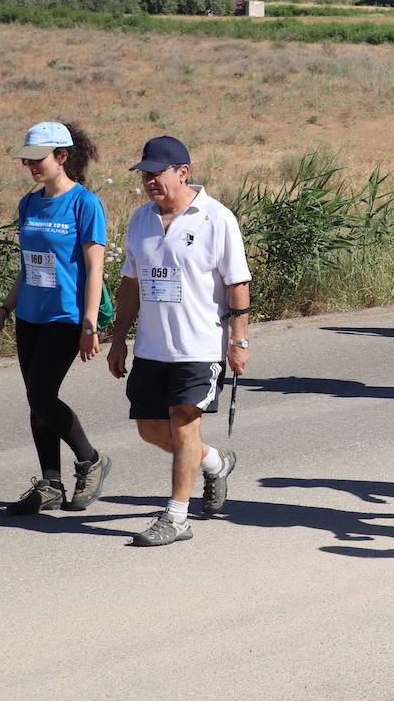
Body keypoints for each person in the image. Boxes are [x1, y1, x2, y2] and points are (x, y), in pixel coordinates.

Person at [108, 136, 250, 547]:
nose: (149, 181)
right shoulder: (140, 220)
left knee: (184, 425)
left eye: (157, 173)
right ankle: (214, 461)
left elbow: (237, 282)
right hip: (152, 346)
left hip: (200, 346)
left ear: (182, 172)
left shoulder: (216, 218)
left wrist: (238, 342)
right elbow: (131, 283)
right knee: (151, 430)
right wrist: (119, 339)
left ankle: (176, 517)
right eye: (145, 174)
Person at [0, 122, 112, 516]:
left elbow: (95, 269)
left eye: (38, 158)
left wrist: (90, 323)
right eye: (27, 160)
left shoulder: (85, 203)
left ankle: (91, 460)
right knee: (36, 402)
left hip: (67, 316)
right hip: (31, 314)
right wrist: (3, 310)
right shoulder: (29, 204)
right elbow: (28, 267)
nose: (31, 166)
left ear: (62, 157)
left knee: (42, 395)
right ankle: (50, 485)